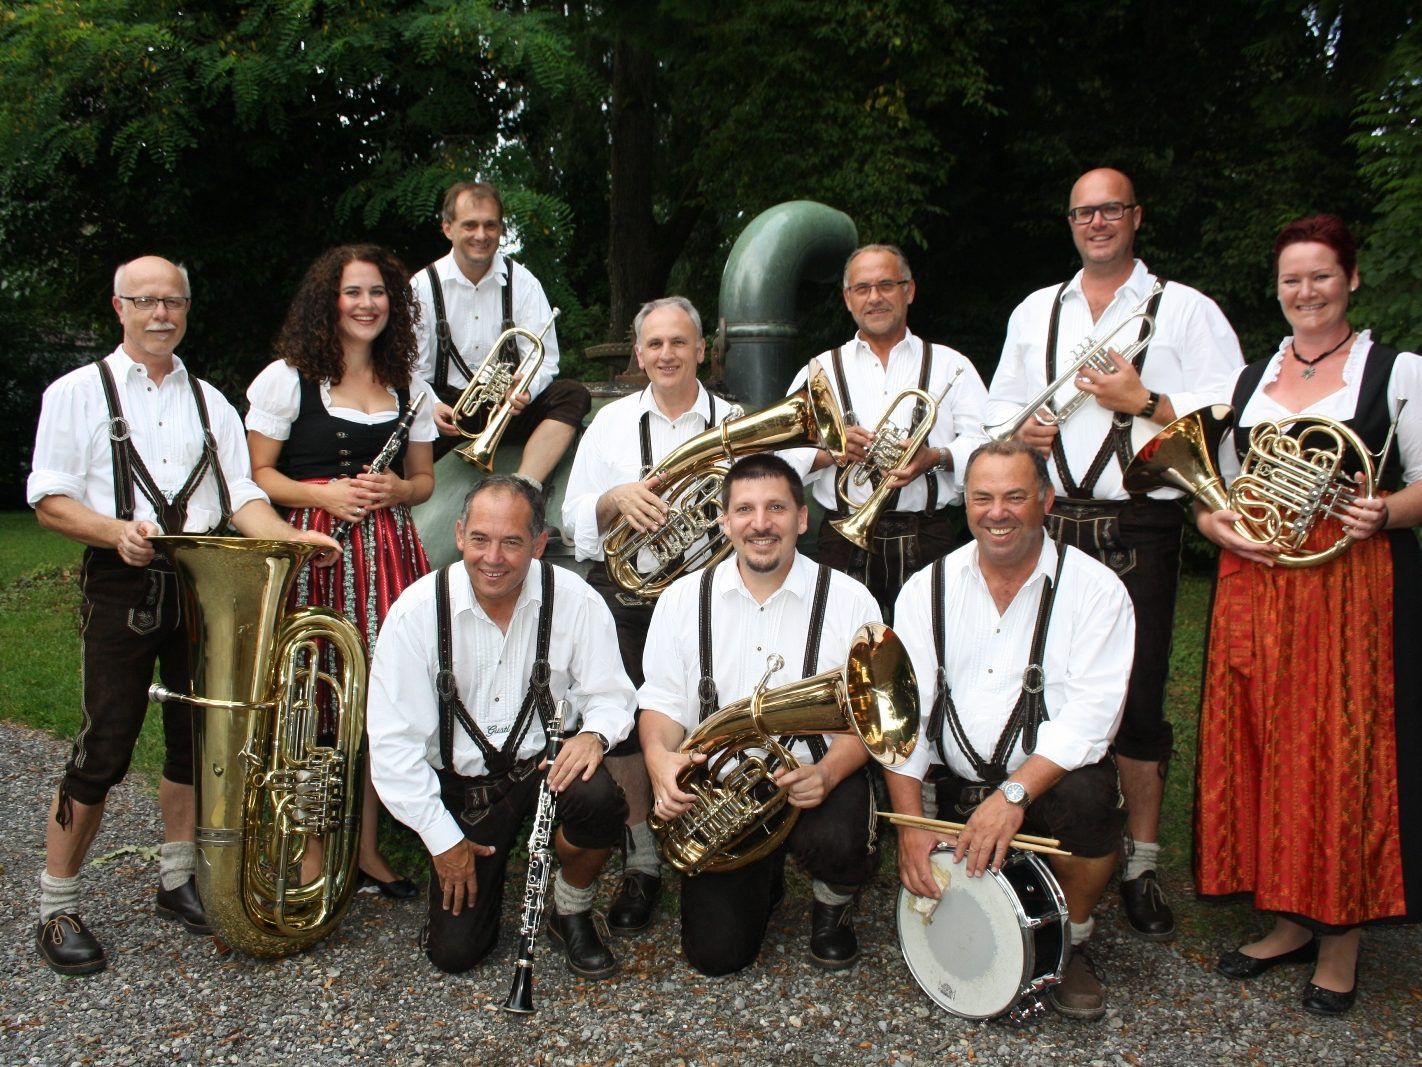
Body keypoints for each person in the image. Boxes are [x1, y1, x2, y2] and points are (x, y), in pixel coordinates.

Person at [28, 255, 340, 975]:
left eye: (172, 301)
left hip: (205, 581)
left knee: (190, 738)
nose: (161, 313)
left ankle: (175, 878)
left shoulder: (211, 401)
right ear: (119, 307)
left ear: (187, 308)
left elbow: (240, 498)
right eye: (146, 301)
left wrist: (292, 538)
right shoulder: (77, 391)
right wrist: (115, 532)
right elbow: (49, 498)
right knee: (104, 743)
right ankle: (58, 902)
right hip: (121, 581)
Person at [986, 168, 1243, 939]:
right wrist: (1020, 431)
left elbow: (1236, 412)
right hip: (1053, 524)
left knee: (1138, 698)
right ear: (1070, 222)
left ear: (1135, 217)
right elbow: (999, 408)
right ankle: (1060, 838)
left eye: (1110, 210)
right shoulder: (1037, 311)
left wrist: (1147, 404)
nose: (1097, 222)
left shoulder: (1187, 310)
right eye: (1083, 212)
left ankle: (1139, 860)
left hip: (1141, 525)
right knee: (1048, 684)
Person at [1192, 214, 1422, 1016]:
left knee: (1338, 754)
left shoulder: (1398, 372)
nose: (1306, 291)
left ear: (1352, 279)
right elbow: (1221, 485)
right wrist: (1211, 521)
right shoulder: (1255, 377)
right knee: (1261, 742)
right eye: (1292, 278)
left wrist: (1386, 511)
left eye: (1321, 275)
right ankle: (1286, 918)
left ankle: (1341, 939)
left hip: (1348, 585)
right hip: (1257, 577)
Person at [887, 439, 1134, 1020]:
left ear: (1046, 501)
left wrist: (1013, 796)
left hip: (1048, 786)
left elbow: (1093, 717)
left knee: (1091, 803)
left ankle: (1071, 940)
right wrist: (909, 825)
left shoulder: (1098, 591)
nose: (997, 512)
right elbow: (902, 716)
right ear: (965, 505)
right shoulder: (925, 589)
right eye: (983, 498)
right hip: (953, 784)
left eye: (1015, 496)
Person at [367, 477, 634, 977]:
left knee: (599, 802)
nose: (493, 557)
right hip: (463, 791)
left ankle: (571, 907)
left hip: (544, 769)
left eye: (512, 542)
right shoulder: (416, 613)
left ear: (538, 544)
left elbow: (612, 695)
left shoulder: (573, 598)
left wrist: (593, 735)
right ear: (459, 534)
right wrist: (442, 840)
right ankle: (458, 884)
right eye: (480, 539)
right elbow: (393, 748)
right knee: (456, 955)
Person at [640, 454, 883, 976]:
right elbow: (660, 702)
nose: (760, 523)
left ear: (801, 517)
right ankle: (763, 876)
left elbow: (874, 718)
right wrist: (660, 760)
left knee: (841, 840)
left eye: (776, 507)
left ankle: (833, 904)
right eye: (744, 509)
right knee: (716, 958)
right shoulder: (682, 600)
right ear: (724, 522)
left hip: (816, 776)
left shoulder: (850, 600)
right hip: (728, 789)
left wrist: (828, 771)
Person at [246, 243, 438, 899]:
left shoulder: (408, 383)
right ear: (330, 300)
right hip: (316, 551)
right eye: (353, 292)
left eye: (378, 292)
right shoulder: (287, 378)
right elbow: (259, 475)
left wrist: (397, 492)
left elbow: (425, 482)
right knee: (315, 694)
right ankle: (310, 853)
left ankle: (365, 850)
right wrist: (323, 495)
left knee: (376, 700)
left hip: (389, 551)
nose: (366, 304)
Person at [562, 296, 740, 933]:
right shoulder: (609, 424)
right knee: (629, 719)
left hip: (712, 595)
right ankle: (642, 855)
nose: (666, 354)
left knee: (717, 712)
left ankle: (717, 829)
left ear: (702, 352)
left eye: (678, 342)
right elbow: (572, 517)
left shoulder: (735, 420)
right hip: (631, 596)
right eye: (654, 344)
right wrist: (614, 498)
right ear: (639, 356)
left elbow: (757, 509)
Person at [782, 243, 989, 623]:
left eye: (886, 285)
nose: (874, 297)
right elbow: (781, 459)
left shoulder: (951, 365)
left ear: (908, 290)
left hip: (926, 534)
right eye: (862, 288)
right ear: (847, 299)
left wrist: (935, 457)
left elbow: (990, 447)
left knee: (933, 645)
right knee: (839, 651)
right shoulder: (818, 371)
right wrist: (833, 452)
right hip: (842, 537)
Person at [412, 180, 591, 487]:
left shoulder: (523, 282)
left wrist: (524, 391)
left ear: (500, 230)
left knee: (573, 395)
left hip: (506, 408)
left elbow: (544, 359)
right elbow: (405, 369)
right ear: (448, 228)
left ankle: (526, 486)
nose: (481, 235)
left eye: (490, 226)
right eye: (470, 225)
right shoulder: (421, 286)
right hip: (448, 413)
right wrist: (430, 405)